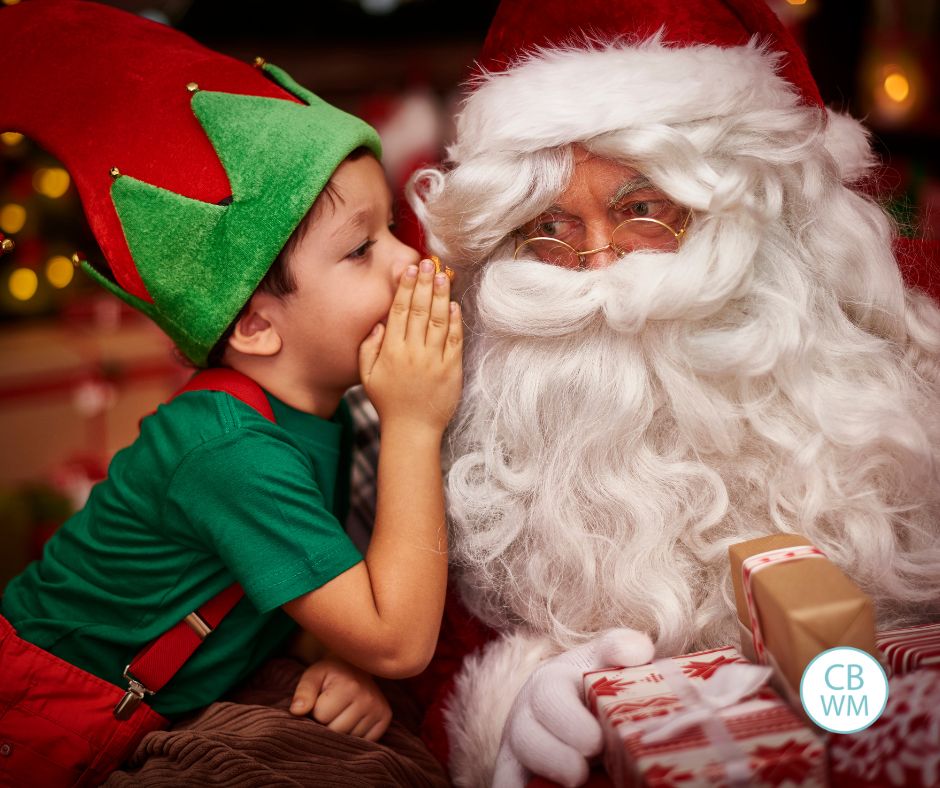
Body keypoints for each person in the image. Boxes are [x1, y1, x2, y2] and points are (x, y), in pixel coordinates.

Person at [406, 0, 940, 784]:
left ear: (749, 208)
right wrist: (508, 701)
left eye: (644, 211)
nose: (599, 267)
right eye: (548, 228)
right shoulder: (474, 409)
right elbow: (435, 667)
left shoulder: (904, 349)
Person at [0, 1, 461, 785]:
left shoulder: (328, 404)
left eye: (390, 231)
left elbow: (325, 597)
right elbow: (399, 639)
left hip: (187, 689)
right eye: (360, 250)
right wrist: (415, 423)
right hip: (56, 720)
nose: (406, 263)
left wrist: (339, 662)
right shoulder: (228, 449)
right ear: (254, 327)